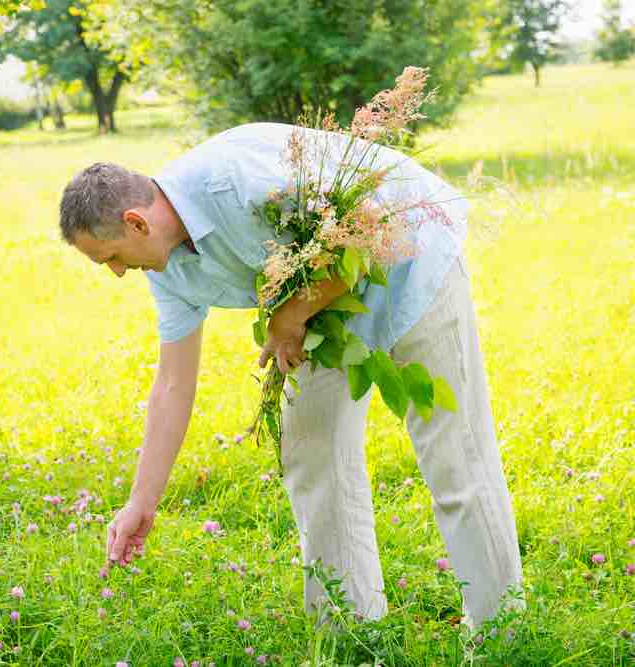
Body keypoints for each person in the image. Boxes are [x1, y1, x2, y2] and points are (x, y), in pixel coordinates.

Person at [57, 122, 524, 630]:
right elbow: (172, 385)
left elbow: (366, 226)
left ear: (136, 223)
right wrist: (140, 503)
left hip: (410, 251)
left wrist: (290, 315)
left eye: (112, 259)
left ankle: (500, 632)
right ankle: (348, 631)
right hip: (322, 303)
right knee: (312, 451)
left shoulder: (234, 182)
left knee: (455, 450)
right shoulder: (169, 271)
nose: (119, 273)